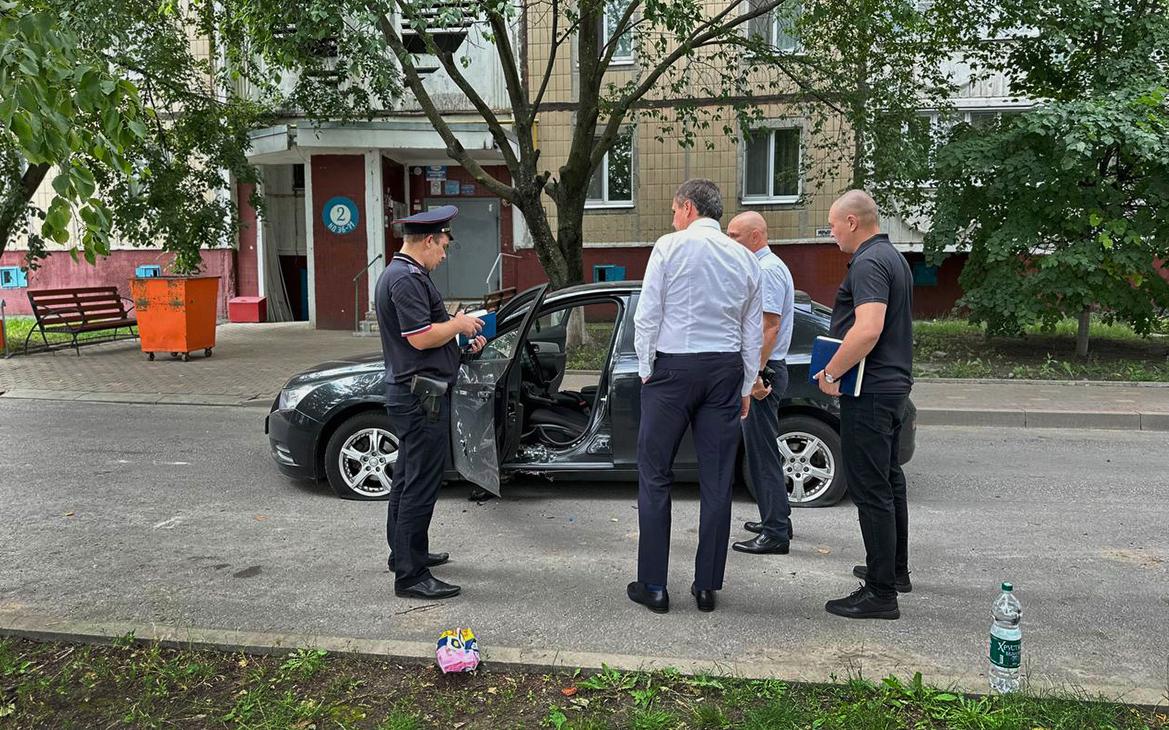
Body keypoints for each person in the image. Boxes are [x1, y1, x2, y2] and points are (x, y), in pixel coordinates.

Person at [629, 179, 762, 614]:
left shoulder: (668, 247)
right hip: (723, 369)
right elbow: (751, 329)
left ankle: (653, 586)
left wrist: (647, 368)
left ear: (687, 208)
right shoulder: (744, 257)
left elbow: (648, 312)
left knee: (654, 475)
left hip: (672, 368)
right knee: (717, 479)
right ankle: (707, 586)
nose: (672, 217)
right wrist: (745, 384)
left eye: (673, 209)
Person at [375, 205, 486, 600]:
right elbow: (419, 337)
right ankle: (410, 576)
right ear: (428, 240)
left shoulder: (407, 275)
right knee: (419, 485)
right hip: (419, 397)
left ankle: (405, 554)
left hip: (416, 392)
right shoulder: (405, 279)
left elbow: (428, 337)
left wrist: (459, 338)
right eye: (443, 246)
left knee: (407, 479)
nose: (444, 254)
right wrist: (457, 324)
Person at [815, 190, 914, 620]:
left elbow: (868, 329)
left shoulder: (870, 262)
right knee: (889, 482)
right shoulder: (892, 257)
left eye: (834, 225)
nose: (832, 233)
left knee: (871, 491)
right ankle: (893, 571)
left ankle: (879, 594)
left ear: (852, 222)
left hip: (870, 391)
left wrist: (832, 372)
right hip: (890, 389)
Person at [726, 211, 795, 554]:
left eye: (735, 235)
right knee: (763, 450)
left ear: (756, 237)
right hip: (768, 368)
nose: (729, 241)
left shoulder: (766, 271)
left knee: (761, 454)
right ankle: (777, 515)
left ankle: (776, 533)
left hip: (764, 373)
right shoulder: (767, 266)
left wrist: (754, 374)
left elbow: (770, 327)